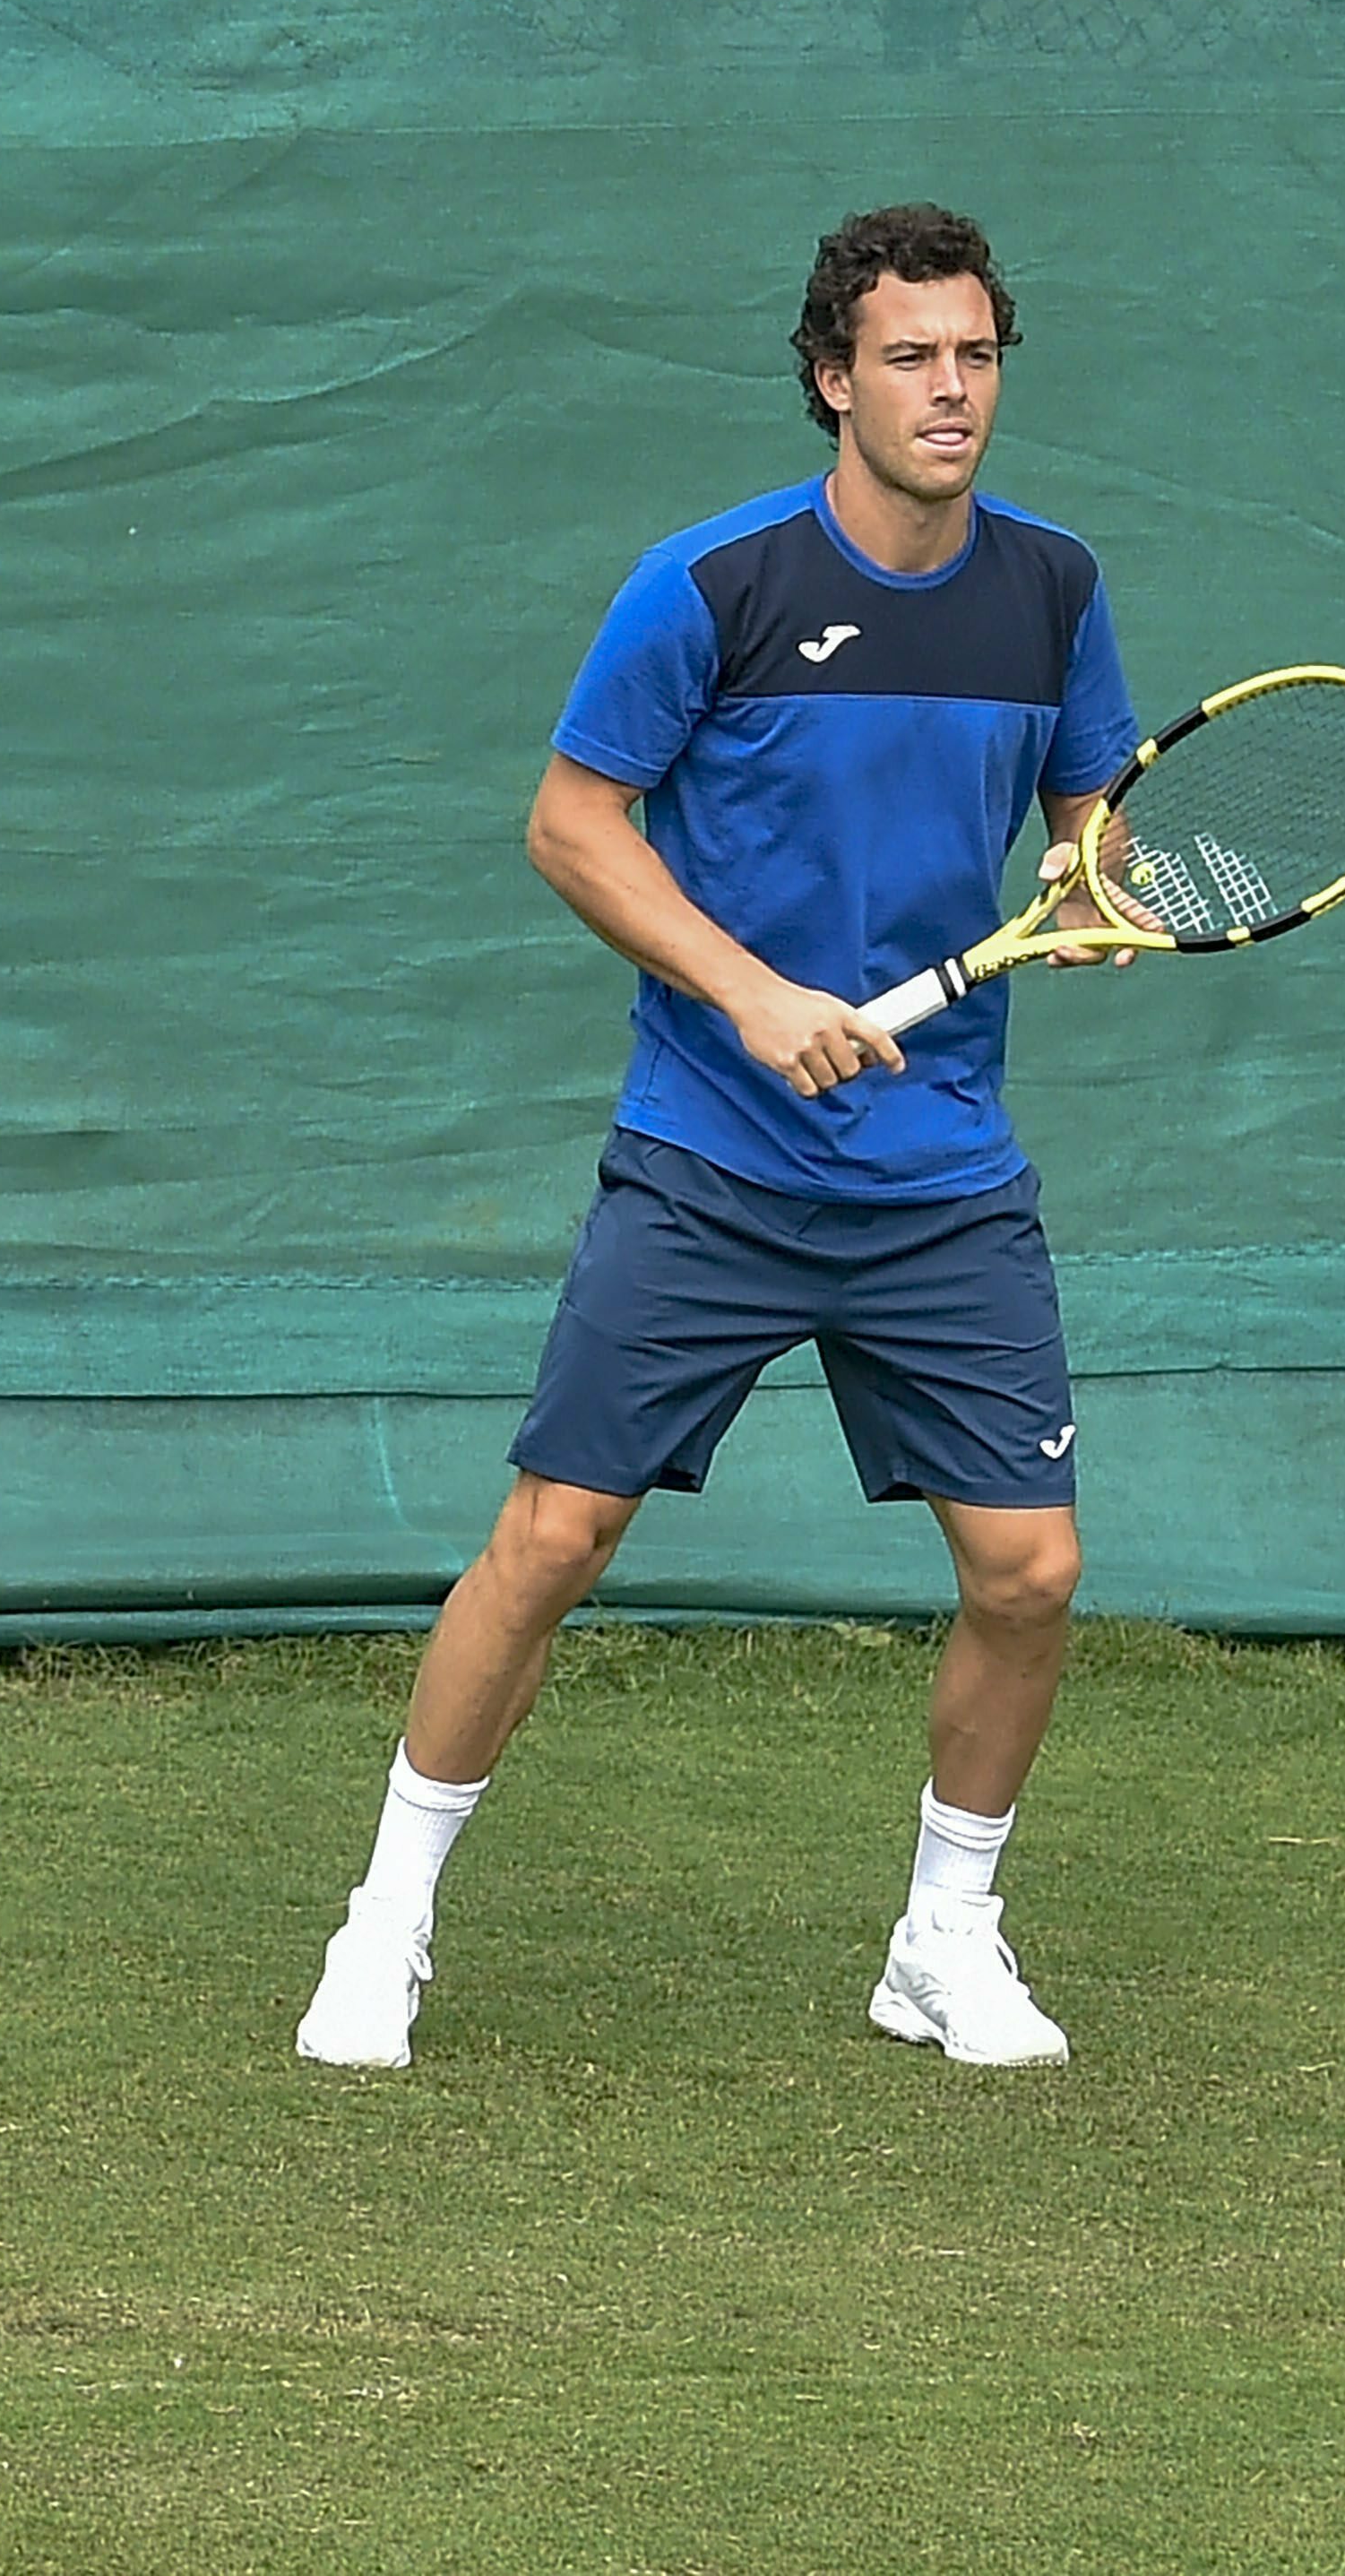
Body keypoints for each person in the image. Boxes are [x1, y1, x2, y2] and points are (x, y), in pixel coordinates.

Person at [297, 204, 1144, 2074]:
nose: (951, 388)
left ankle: (944, 1938)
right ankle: (388, 1919)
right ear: (834, 378)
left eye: (978, 355)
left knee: (1032, 1569)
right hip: (712, 1154)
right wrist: (756, 997)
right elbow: (573, 823)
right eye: (911, 356)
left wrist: (1091, 883)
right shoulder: (714, 585)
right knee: (556, 1529)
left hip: (938, 1171)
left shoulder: (1055, 591)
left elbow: (1092, 820)